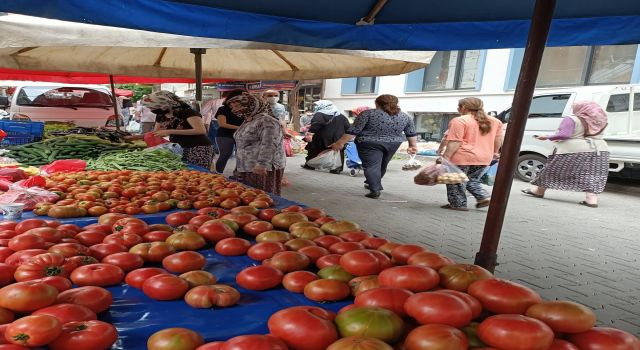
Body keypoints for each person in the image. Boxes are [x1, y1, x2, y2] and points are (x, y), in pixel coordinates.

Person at [522, 101, 609, 208]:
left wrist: (547, 137)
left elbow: (564, 135)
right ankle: (591, 199)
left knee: (553, 171)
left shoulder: (572, 119)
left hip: (573, 150)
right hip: (600, 150)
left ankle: (539, 191)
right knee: (592, 175)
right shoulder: (601, 120)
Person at [331, 94, 418, 199]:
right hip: (393, 144)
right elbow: (411, 133)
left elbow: (353, 130)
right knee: (382, 164)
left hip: (369, 143)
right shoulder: (405, 116)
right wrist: (412, 145)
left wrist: (340, 143)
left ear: (377, 103)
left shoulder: (368, 114)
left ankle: (375, 190)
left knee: (372, 166)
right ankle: (373, 183)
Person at [440, 97, 503, 211]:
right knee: (472, 179)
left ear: (463, 107)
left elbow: (455, 141)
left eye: (458, 106)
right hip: (484, 157)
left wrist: (446, 157)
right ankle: (483, 196)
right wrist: (495, 152)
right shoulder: (495, 121)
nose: (458, 109)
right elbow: (498, 139)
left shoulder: (459, 120)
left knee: (456, 181)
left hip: (462, 156)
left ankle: (458, 204)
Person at [227, 93, 286, 195]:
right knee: (249, 196)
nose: (234, 110)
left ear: (251, 104)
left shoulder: (267, 121)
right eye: (232, 107)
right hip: (247, 166)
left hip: (261, 168)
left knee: (263, 197)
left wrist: (262, 165)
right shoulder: (250, 120)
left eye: (237, 106)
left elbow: (269, 144)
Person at [141, 91, 213, 169]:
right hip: (178, 148)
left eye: (152, 107)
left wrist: (169, 131)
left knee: (198, 173)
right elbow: (155, 132)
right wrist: (134, 137)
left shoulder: (188, 112)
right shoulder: (161, 115)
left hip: (198, 147)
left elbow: (201, 130)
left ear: (164, 104)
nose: (151, 109)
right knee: (182, 173)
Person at [302, 100, 351, 174]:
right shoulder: (341, 116)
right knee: (338, 151)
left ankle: (310, 165)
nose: (316, 107)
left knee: (314, 149)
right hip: (338, 137)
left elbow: (316, 124)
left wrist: (310, 133)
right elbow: (347, 127)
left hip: (322, 137)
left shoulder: (320, 114)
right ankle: (337, 168)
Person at [213, 89, 245, 174]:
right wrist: (241, 128)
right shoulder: (223, 109)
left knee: (241, 156)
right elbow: (222, 124)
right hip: (225, 134)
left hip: (242, 135)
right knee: (225, 154)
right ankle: (217, 174)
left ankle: (238, 174)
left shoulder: (246, 109)